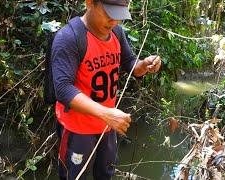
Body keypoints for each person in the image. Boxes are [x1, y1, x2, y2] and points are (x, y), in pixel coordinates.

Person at [51, 0, 162, 179]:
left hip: (106, 126)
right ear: (89, 3)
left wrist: (144, 65)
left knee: (105, 174)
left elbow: (129, 62)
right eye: (109, 14)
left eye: (118, 16)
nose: (114, 21)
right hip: (77, 129)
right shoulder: (69, 38)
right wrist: (106, 113)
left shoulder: (116, 32)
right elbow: (63, 89)